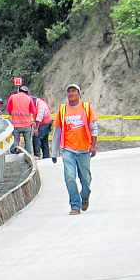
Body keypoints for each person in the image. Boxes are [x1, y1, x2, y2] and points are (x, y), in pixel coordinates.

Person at [51, 84, 97, 215]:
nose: (71, 93)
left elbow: (94, 128)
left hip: (84, 150)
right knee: (70, 177)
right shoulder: (63, 110)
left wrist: (93, 145)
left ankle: (85, 197)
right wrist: (54, 152)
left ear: (79, 93)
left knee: (86, 180)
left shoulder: (86, 108)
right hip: (68, 150)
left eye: (74, 91)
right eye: (69, 91)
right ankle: (75, 206)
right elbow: (57, 132)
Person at [5, 85, 37, 154]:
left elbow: (8, 109)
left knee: (14, 141)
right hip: (27, 124)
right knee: (28, 141)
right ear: (26, 92)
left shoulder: (12, 97)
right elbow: (33, 111)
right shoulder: (29, 99)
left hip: (15, 125)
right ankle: (28, 154)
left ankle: (13, 154)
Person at [32, 95, 53, 159]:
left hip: (45, 123)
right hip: (44, 123)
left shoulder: (40, 104)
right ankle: (46, 156)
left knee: (36, 136)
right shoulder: (36, 104)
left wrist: (36, 129)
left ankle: (37, 155)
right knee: (44, 140)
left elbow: (39, 117)